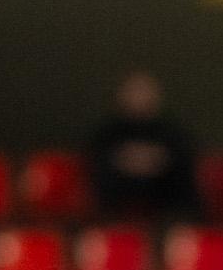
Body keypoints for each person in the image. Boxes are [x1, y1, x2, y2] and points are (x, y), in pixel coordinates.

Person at [85, 71, 198, 219]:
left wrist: (154, 159)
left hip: (162, 194)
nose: (139, 98)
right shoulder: (109, 132)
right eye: (134, 92)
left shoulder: (169, 131)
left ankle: (178, 224)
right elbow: (98, 154)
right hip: (119, 193)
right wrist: (127, 160)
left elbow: (183, 152)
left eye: (144, 92)